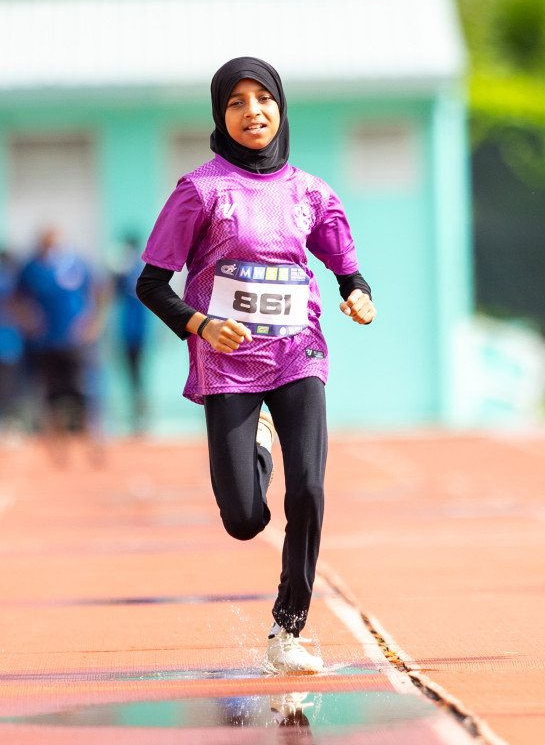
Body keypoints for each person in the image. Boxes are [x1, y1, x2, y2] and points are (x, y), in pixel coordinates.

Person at [136, 58, 376, 675]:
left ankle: (289, 628)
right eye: (237, 102)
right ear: (221, 115)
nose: (253, 112)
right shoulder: (201, 191)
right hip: (228, 361)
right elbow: (151, 284)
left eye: (263, 99)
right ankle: (258, 447)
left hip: (299, 352)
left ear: (281, 108)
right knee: (245, 518)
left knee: (311, 492)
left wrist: (356, 291)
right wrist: (202, 324)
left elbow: (344, 262)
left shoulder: (311, 192)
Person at [16, 228, 104, 455]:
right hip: (45, 343)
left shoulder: (77, 264)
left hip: (75, 342)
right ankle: (57, 443)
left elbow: (100, 292)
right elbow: (16, 299)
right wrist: (27, 321)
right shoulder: (31, 268)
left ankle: (91, 440)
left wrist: (92, 323)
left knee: (84, 390)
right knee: (51, 393)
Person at [113, 234, 152, 436]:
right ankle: (134, 415)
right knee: (130, 375)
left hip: (139, 333)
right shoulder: (123, 274)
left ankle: (141, 416)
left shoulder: (141, 272)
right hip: (126, 333)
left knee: (138, 375)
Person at [0, 251, 24, 435]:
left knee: (9, 387)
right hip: (9, 345)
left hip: (9, 344)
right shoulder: (12, 279)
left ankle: (10, 423)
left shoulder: (13, 279)